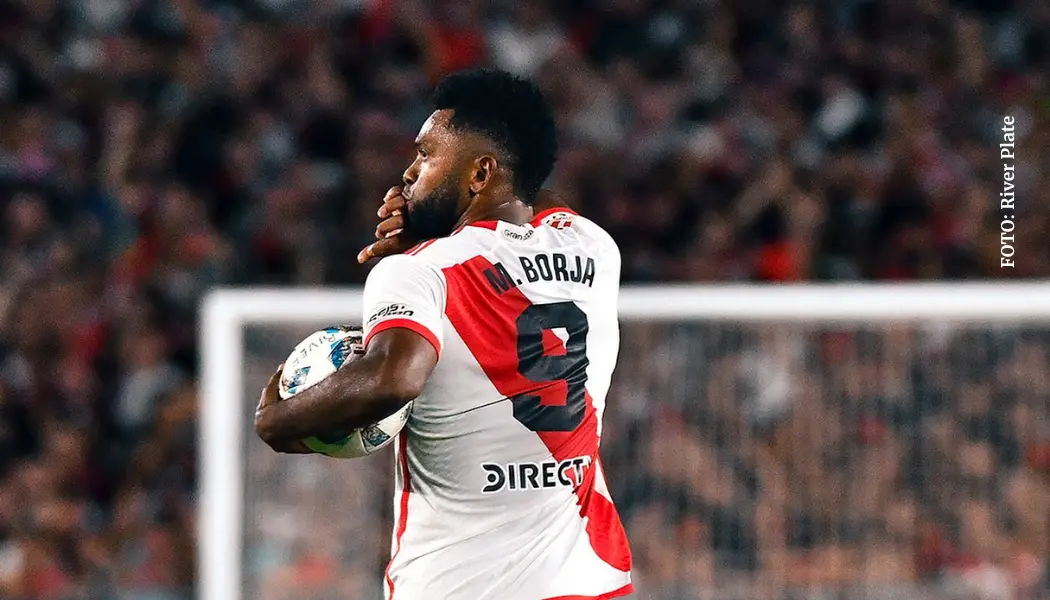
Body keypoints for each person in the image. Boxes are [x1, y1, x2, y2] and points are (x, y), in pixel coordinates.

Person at [254, 68, 633, 600]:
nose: (409, 173)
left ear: (480, 172)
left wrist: (277, 422)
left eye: (425, 155)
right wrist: (447, 212)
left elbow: (392, 379)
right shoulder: (593, 247)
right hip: (591, 581)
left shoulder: (419, 270)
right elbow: (535, 199)